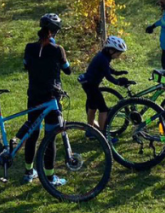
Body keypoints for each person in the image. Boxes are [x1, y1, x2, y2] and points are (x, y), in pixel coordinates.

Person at [18, 13, 71, 186]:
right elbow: (67, 70)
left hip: (34, 96)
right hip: (51, 98)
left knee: (32, 134)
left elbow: (26, 66)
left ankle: (28, 172)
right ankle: (49, 177)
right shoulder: (58, 50)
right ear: (56, 31)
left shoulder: (29, 47)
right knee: (50, 137)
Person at [79, 35, 130, 131]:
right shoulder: (103, 59)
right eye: (118, 53)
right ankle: (104, 135)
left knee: (92, 107)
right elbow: (108, 76)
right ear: (111, 50)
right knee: (103, 110)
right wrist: (118, 82)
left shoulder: (103, 56)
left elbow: (107, 69)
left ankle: (90, 130)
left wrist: (117, 72)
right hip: (92, 86)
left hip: (88, 84)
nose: (119, 56)